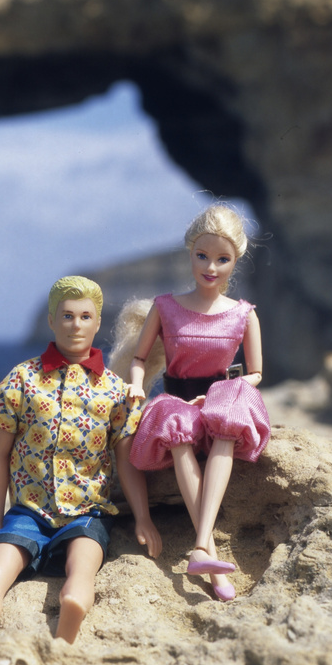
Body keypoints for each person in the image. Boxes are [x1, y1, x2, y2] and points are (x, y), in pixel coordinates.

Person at [0, 276, 162, 665]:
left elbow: (126, 460)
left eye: (85, 317)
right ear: (51, 321)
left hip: (86, 511)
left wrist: (143, 517)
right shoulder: (23, 380)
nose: (75, 325)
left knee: (84, 563)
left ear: (97, 324)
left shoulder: (113, 391)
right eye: (67, 316)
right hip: (28, 512)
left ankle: (70, 617)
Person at [110, 203, 270, 601]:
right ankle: (209, 556)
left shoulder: (243, 314)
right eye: (202, 255)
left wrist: (221, 392)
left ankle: (201, 544)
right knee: (178, 432)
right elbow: (141, 358)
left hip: (216, 400)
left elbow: (256, 372)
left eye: (222, 259)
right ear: (189, 253)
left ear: (236, 260)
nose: (210, 267)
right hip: (176, 399)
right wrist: (134, 384)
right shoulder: (166, 307)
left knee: (227, 426)